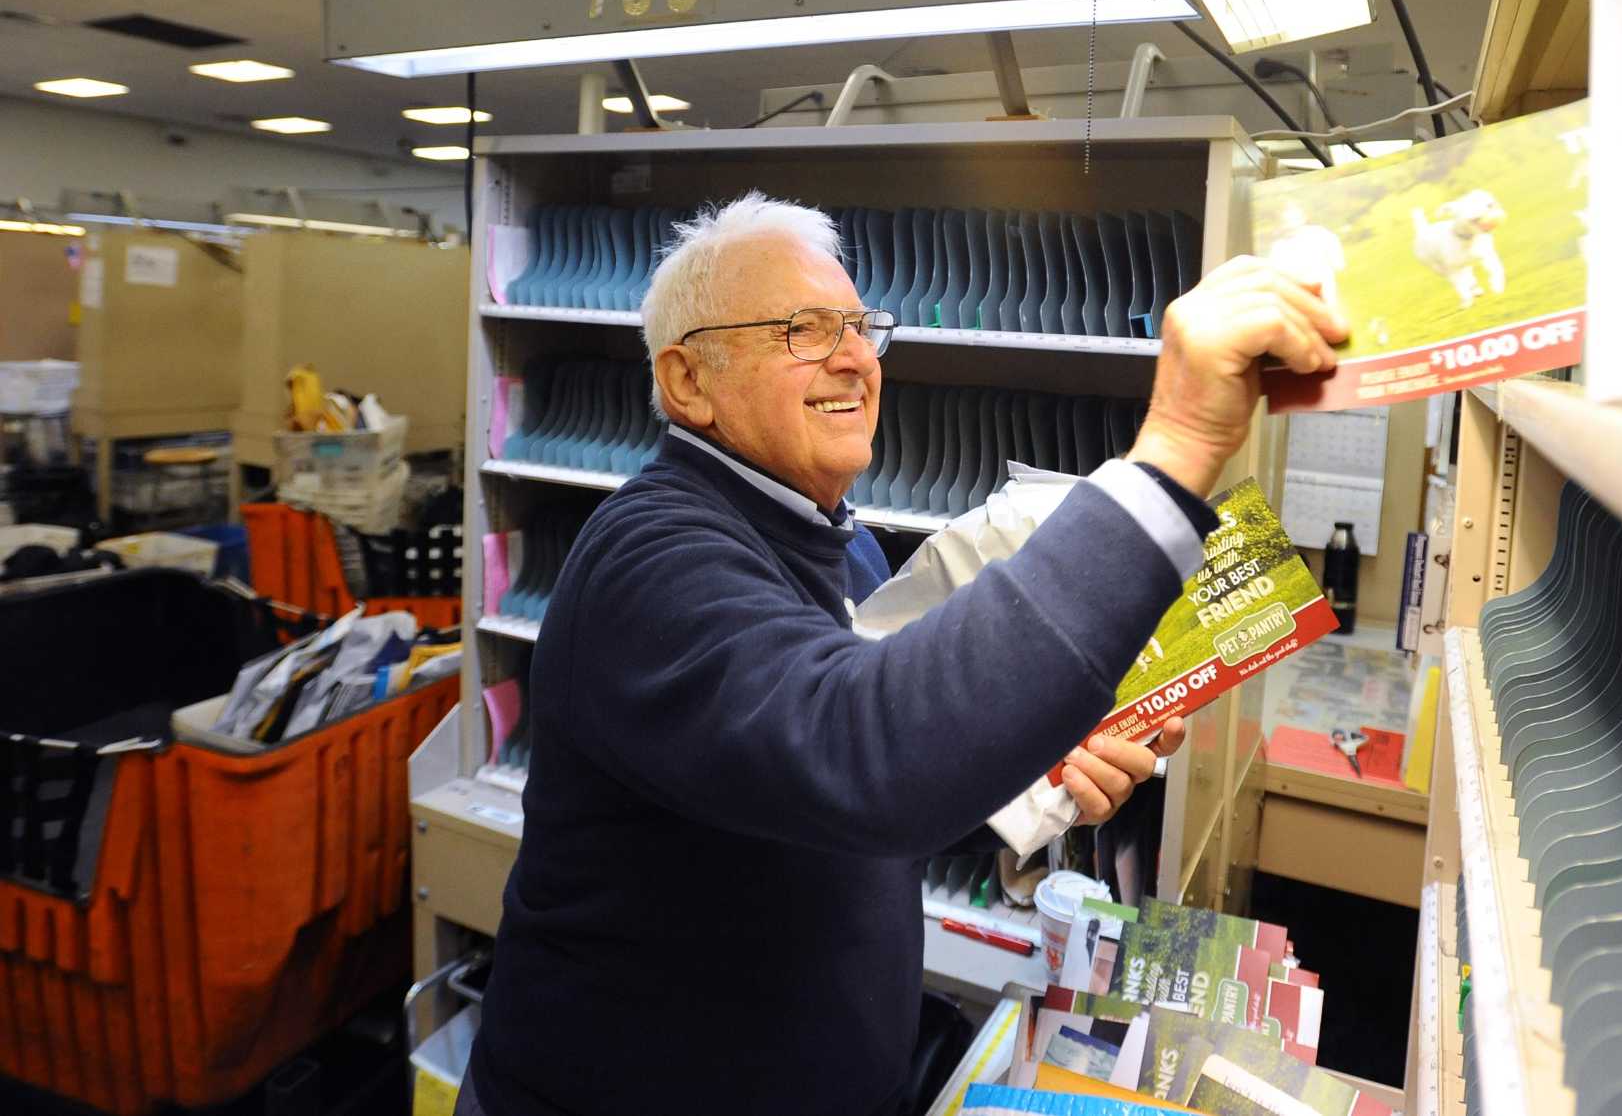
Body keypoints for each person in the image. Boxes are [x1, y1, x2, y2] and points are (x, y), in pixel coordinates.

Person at [461, 192, 1345, 1116]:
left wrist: (1022, 754)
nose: (853, 357)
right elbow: (862, 754)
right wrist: (1177, 450)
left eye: (860, 326)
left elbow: (811, 789)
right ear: (688, 382)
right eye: (802, 329)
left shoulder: (842, 545)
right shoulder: (650, 561)